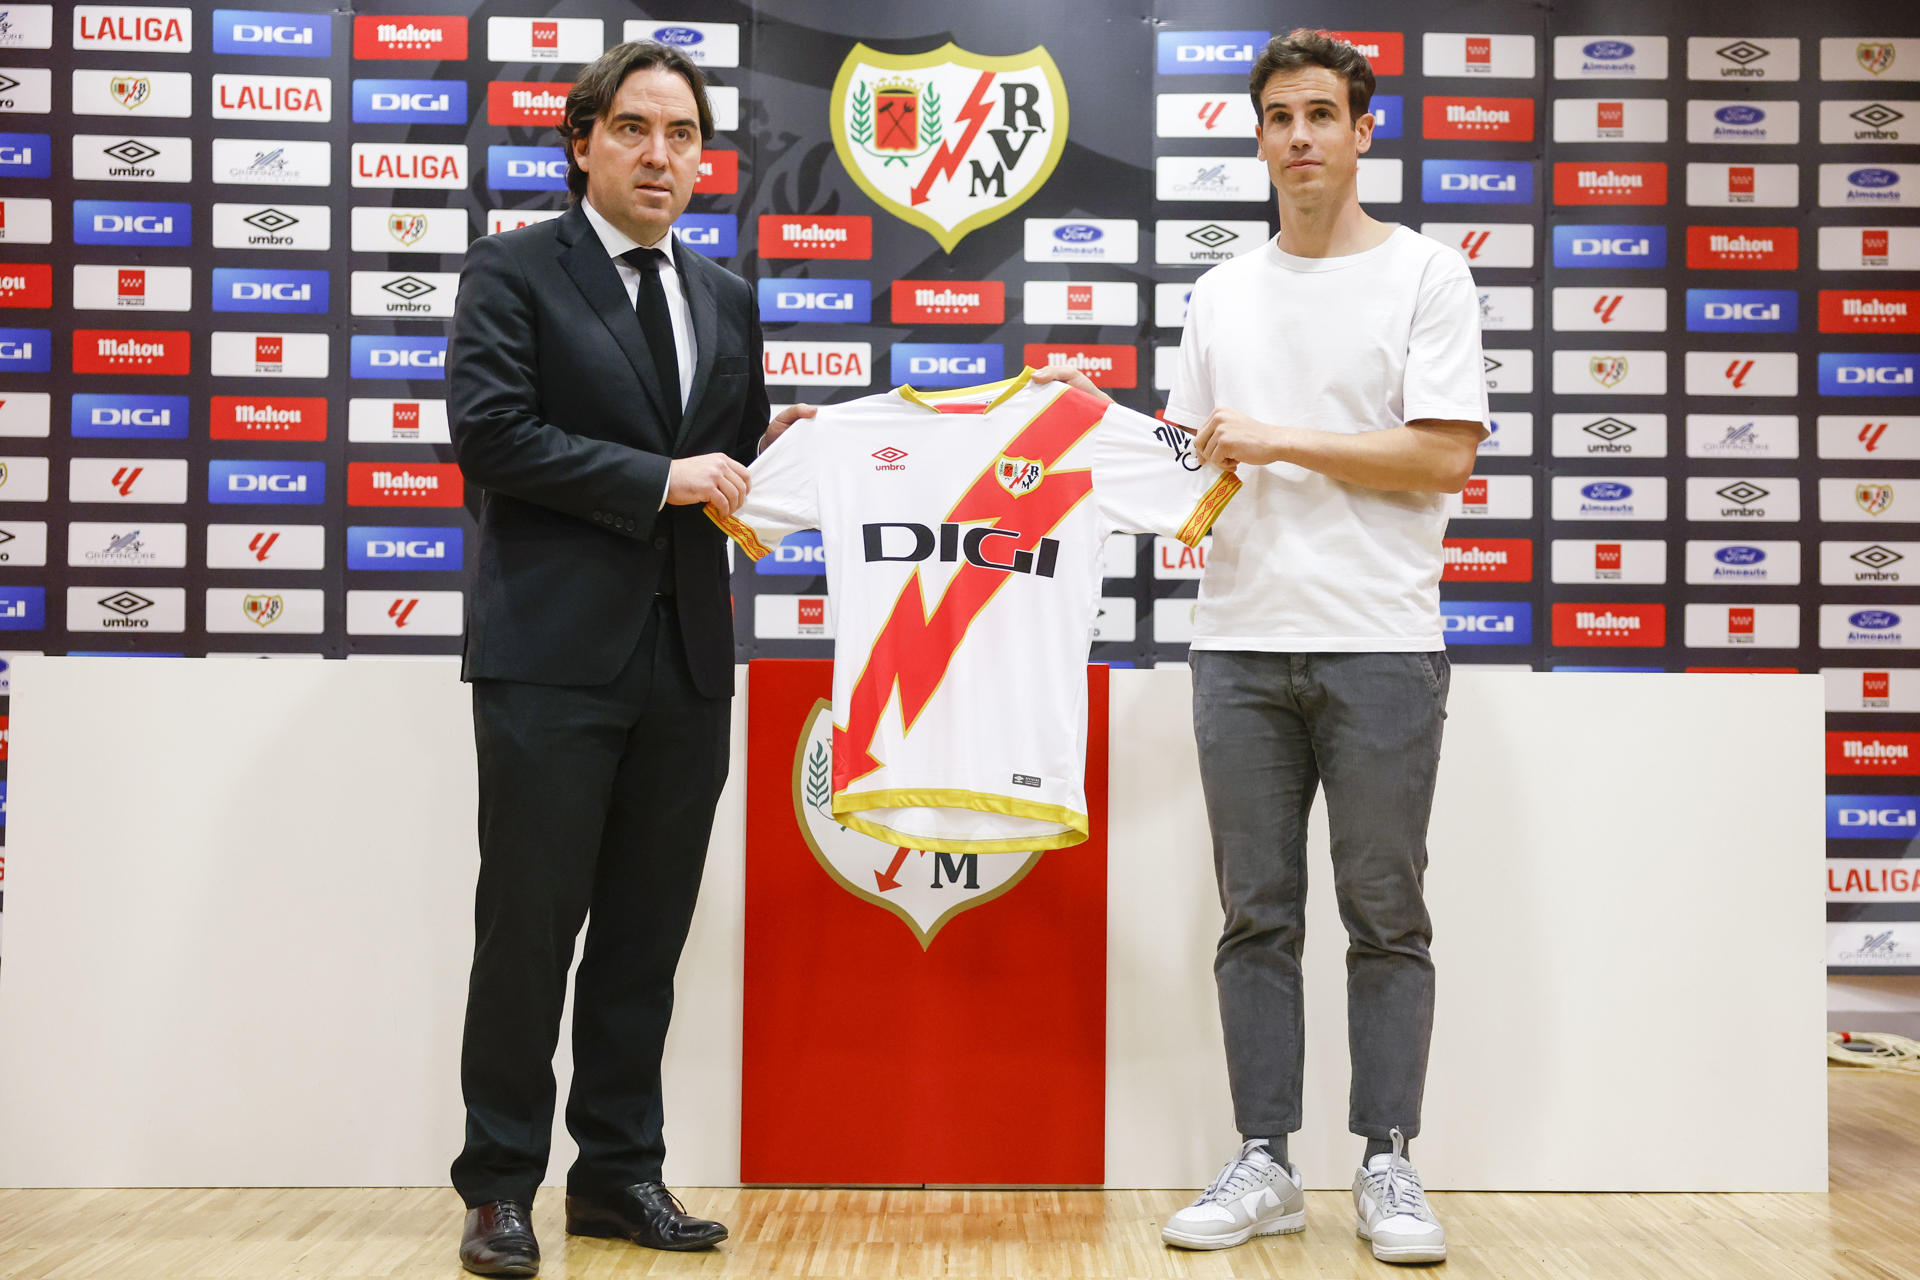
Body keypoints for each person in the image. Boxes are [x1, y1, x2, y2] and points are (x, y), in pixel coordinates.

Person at [1037, 28, 1487, 1266]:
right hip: (1236, 643)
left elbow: (1444, 453)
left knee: (1386, 913)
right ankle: (1266, 1163)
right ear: (1258, 135)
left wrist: (1282, 439)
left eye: (1321, 115)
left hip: (1383, 643)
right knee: (1256, 915)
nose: (1300, 137)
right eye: (1280, 116)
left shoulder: (1425, 276)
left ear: (1361, 130)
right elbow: (1197, 464)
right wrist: (1076, 438)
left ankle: (1388, 1159)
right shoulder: (1221, 292)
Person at [446, 40, 808, 1277]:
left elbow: (726, 461)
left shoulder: (726, 296)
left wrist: (783, 449)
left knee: (646, 937)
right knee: (529, 930)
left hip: (688, 659)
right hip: (550, 658)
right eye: (639, 130)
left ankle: (617, 1175)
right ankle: (499, 1185)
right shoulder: (512, 270)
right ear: (584, 142)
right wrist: (663, 477)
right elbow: (492, 436)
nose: (665, 155)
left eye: (686, 136)